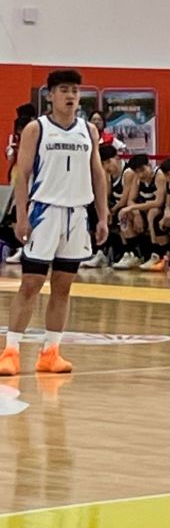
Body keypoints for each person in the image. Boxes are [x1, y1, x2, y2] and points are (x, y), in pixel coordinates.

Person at [2, 72, 108, 377]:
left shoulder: (88, 130)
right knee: (31, 284)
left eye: (75, 90)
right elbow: (22, 174)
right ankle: (10, 351)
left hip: (77, 214)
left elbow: (97, 173)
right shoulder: (37, 128)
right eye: (64, 90)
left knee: (63, 286)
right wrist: (21, 216)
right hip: (44, 212)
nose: (70, 95)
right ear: (50, 95)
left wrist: (102, 215)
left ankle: (51, 352)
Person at [110, 154, 161, 268]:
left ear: (149, 165)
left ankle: (155, 254)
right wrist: (136, 213)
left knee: (152, 212)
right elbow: (130, 200)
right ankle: (132, 253)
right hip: (143, 209)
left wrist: (135, 208)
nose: (141, 174)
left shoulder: (159, 175)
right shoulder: (137, 178)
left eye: (142, 170)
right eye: (137, 172)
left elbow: (159, 202)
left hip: (157, 210)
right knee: (123, 214)